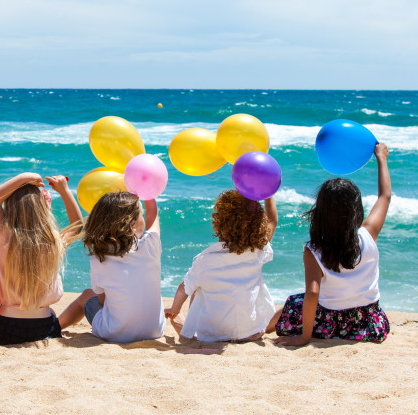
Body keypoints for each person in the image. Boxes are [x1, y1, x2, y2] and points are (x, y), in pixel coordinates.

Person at [269, 143, 391, 346]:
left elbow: (313, 293)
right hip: (369, 323)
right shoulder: (369, 234)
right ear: (356, 211)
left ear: (320, 214)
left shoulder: (314, 250)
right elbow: (384, 196)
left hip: (330, 322)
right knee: (299, 301)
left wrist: (304, 337)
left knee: (294, 302)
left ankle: (262, 328)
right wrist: (381, 159)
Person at [164, 191, 278, 342]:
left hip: (213, 336)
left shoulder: (205, 260)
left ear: (219, 223)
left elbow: (183, 288)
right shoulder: (257, 250)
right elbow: (272, 221)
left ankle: (184, 327)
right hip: (252, 333)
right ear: (258, 224)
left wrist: (174, 309)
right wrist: (268, 194)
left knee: (197, 288)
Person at [0, 173, 82, 345]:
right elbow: (78, 227)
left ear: (11, 208)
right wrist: (65, 191)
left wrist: (26, 177)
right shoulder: (53, 241)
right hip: (45, 328)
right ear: (44, 209)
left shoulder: (6, 236)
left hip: (5, 328)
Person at [58, 192, 165, 343]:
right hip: (155, 331)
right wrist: (146, 189)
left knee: (87, 295)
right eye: (141, 214)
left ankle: (56, 325)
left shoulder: (99, 260)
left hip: (114, 333)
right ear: (133, 224)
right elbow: (152, 213)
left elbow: (102, 302)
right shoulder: (150, 245)